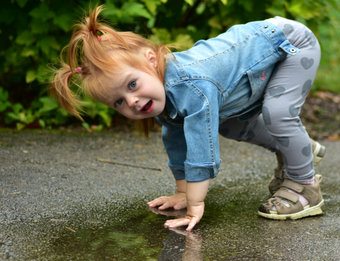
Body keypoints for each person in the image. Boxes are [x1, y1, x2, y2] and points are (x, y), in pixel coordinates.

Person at [51, 5, 326, 231]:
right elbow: (176, 141)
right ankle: (298, 150)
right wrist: (183, 193)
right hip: (258, 62)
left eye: (132, 85)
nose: (132, 101)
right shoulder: (161, 93)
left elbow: (200, 148)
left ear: (150, 60)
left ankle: (305, 186)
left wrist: (195, 204)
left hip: (289, 45)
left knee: (278, 114)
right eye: (119, 101)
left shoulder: (190, 86)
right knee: (230, 125)